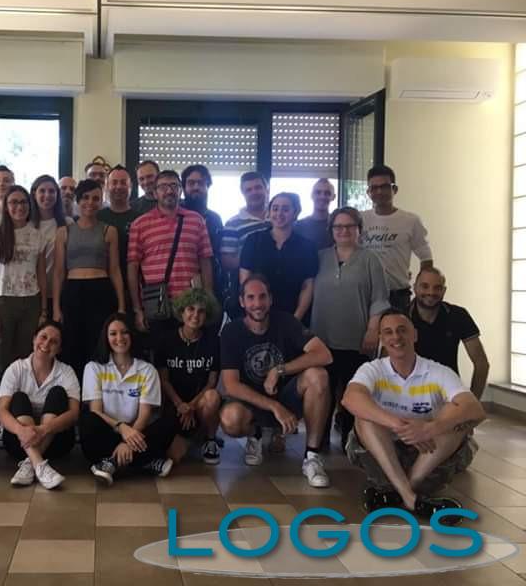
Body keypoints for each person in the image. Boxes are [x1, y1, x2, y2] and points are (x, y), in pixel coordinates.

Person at [341, 309, 486, 521]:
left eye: (402, 330)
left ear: (415, 335)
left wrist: (429, 429)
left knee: (454, 415)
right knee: (364, 416)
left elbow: (476, 410)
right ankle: (411, 497)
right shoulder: (371, 369)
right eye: (388, 332)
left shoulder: (438, 371)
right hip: (384, 452)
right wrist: (402, 427)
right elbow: (349, 399)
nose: (396, 337)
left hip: (428, 454)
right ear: (381, 339)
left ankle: (402, 489)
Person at [219, 275, 333, 487]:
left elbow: (324, 355)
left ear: (270, 299)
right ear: (242, 301)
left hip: (286, 396)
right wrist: (274, 407)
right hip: (252, 404)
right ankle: (255, 433)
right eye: (251, 297)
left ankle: (312, 456)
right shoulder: (231, 331)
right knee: (230, 419)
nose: (257, 303)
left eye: (262, 297)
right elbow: (231, 385)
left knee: (318, 376)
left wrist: (280, 370)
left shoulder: (286, 322)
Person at [311, 207, 389, 450]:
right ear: (331, 230)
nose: (343, 231)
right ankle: (318, 440)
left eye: (349, 226)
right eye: (338, 226)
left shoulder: (370, 260)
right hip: (321, 339)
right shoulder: (319, 257)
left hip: (356, 338)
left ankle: (350, 439)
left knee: (352, 391)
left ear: (359, 230)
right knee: (324, 390)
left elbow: (379, 298)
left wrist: (373, 329)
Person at [80, 313, 176, 486]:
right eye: (113, 333)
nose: (119, 338)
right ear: (106, 338)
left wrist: (126, 443)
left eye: (124, 332)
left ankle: (110, 462)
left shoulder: (147, 370)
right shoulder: (93, 368)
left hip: (137, 432)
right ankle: (144, 462)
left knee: (169, 421)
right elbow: (96, 411)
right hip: (108, 431)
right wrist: (121, 428)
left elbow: (144, 416)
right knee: (88, 420)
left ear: (132, 335)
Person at [127, 170, 214, 344]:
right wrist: (137, 309)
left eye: (174, 186)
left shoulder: (196, 220)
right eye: (163, 187)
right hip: (157, 305)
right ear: (154, 193)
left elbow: (205, 261)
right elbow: (132, 268)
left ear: (180, 190)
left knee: (190, 355)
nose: (169, 191)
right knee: (160, 355)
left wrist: (208, 301)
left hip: (191, 306)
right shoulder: (139, 224)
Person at [53, 179, 126, 378]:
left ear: (101, 201)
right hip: (72, 292)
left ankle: (98, 390)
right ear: (77, 200)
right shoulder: (64, 232)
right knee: (72, 343)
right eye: (85, 198)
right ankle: (74, 391)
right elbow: (59, 272)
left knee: (99, 342)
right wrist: (56, 308)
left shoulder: (109, 231)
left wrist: (121, 306)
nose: (90, 203)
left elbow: (115, 270)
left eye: (95, 198)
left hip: (101, 291)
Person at [0, 321, 80, 489]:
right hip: (18, 442)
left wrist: (43, 430)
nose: (46, 344)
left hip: (56, 442)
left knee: (57, 393)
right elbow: (1, 411)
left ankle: (30, 464)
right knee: (19, 397)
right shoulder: (16, 368)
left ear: (59, 349)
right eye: (43, 337)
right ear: (34, 339)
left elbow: (74, 413)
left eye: (54, 341)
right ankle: (39, 465)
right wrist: (21, 431)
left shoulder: (66, 372)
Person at [0, 185, 48, 390]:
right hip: (3, 303)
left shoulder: (37, 235)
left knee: (25, 362)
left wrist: (44, 310)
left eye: (23, 202)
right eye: (13, 202)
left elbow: (42, 275)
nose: (19, 206)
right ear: (6, 206)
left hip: (31, 302)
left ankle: (19, 403)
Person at [156, 288, 222, 465]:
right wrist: (180, 405)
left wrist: (191, 405)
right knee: (174, 456)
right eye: (190, 309)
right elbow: (164, 380)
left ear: (207, 315)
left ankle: (210, 439)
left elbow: (212, 382)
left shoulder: (213, 341)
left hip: (199, 404)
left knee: (213, 396)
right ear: (181, 311)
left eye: (201, 311)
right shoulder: (166, 340)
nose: (195, 315)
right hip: (175, 404)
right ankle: (193, 437)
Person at [361, 165, 433, 310]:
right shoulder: (360, 219)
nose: (379, 191)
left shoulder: (410, 220)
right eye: (374, 188)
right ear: (368, 192)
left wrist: (422, 287)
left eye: (384, 186)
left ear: (394, 189)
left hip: (398, 295)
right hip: (365, 294)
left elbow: (426, 257)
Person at [409, 267, 489, 398]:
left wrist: (473, 401)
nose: (431, 292)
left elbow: (481, 363)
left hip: (449, 392)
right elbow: (386, 363)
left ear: (444, 290)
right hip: (410, 394)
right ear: (415, 288)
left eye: (437, 288)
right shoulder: (401, 317)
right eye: (425, 286)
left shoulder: (458, 315)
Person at [239, 192, 318, 322]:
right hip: (258, 314)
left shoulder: (307, 246)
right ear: (269, 212)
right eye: (275, 209)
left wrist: (295, 320)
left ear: (295, 213)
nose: (279, 214)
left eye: (285, 209)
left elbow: (307, 286)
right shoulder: (253, 240)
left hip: (294, 314)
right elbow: (245, 280)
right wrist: (253, 313)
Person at [221, 171, 271, 319]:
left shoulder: (278, 217)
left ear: (266, 189)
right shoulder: (233, 223)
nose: (254, 192)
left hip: (279, 287)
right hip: (249, 292)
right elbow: (226, 261)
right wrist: (253, 257)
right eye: (249, 189)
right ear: (243, 193)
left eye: (258, 187)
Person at [181, 164, 224, 305]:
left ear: (208, 186)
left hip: (213, 285)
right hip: (182, 285)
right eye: (191, 183)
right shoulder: (176, 215)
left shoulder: (215, 219)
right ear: (183, 187)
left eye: (200, 183)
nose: (196, 187)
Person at [30, 175, 73, 315]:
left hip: (61, 292)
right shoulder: (27, 224)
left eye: (51, 191)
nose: (47, 195)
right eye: (42, 191)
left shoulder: (68, 223)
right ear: (34, 194)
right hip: (33, 293)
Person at [98, 165, 141, 285]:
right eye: (114, 182)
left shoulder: (140, 219)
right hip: (102, 283)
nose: (118, 186)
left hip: (134, 283)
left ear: (131, 186)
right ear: (107, 186)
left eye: (123, 182)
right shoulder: (97, 218)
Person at [295, 178, 336, 250]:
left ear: (333, 197)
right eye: (318, 192)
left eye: (327, 193)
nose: (322, 196)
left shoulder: (338, 226)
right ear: (311, 195)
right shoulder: (298, 226)